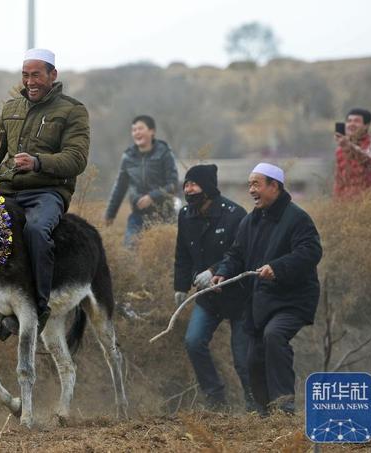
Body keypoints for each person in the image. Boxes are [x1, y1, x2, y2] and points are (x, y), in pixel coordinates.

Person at [0, 48, 90, 334]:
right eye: (25, 75)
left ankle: (38, 307)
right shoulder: (11, 109)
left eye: (36, 75)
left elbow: (77, 159)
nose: (30, 81)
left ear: (53, 75)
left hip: (47, 192)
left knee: (37, 231)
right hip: (7, 189)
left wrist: (38, 162)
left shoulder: (73, 111)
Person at [211, 163, 322, 415]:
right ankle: (264, 414)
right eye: (249, 184)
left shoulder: (298, 218)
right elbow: (236, 254)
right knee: (253, 359)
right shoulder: (250, 221)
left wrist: (278, 268)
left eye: (256, 184)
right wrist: (222, 272)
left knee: (274, 336)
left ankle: (284, 408)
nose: (251, 190)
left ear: (275, 186)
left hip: (292, 300)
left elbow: (311, 252)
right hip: (261, 301)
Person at [173, 164, 254, 411]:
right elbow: (182, 254)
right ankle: (216, 399)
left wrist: (215, 271)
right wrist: (180, 286)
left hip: (239, 297)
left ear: (208, 187)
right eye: (186, 185)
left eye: (194, 184)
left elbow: (242, 254)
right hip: (207, 298)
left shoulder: (235, 214)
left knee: (242, 359)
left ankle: (256, 405)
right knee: (194, 341)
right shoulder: (185, 215)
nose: (189, 189)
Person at [104, 115, 179, 247]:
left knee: (164, 252)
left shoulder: (164, 153)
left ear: (152, 131)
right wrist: (110, 215)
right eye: (134, 130)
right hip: (138, 215)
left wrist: (152, 197)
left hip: (164, 215)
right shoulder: (128, 157)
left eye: (140, 128)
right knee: (129, 250)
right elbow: (119, 188)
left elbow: (173, 184)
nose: (136, 132)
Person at [333, 108, 371, 199]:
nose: (351, 124)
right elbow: (338, 179)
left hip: (367, 201)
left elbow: (369, 160)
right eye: (349, 121)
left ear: (366, 126)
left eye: (356, 121)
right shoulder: (341, 148)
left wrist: (349, 146)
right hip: (345, 202)